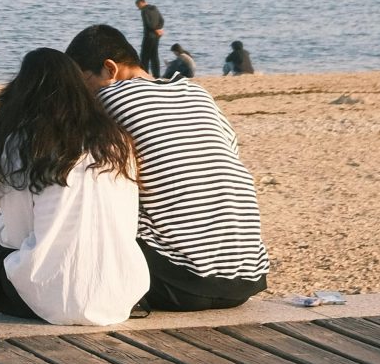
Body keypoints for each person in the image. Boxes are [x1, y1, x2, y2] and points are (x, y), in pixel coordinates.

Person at [67, 24, 269, 312]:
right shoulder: (199, 95)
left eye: (83, 82)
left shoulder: (107, 100)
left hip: (179, 282)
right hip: (247, 278)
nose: (82, 93)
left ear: (110, 68)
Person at [0, 48, 149, 325]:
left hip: (46, 302)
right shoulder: (117, 142)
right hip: (118, 295)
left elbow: (15, 235)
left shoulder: (25, 142)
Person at [134, 0, 165, 79]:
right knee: (154, 56)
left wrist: (155, 29)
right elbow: (162, 20)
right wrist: (159, 29)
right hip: (157, 36)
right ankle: (157, 75)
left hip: (149, 36)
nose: (139, 8)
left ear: (141, 3)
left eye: (138, 6)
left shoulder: (144, 11)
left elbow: (148, 24)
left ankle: (145, 74)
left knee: (144, 56)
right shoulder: (155, 8)